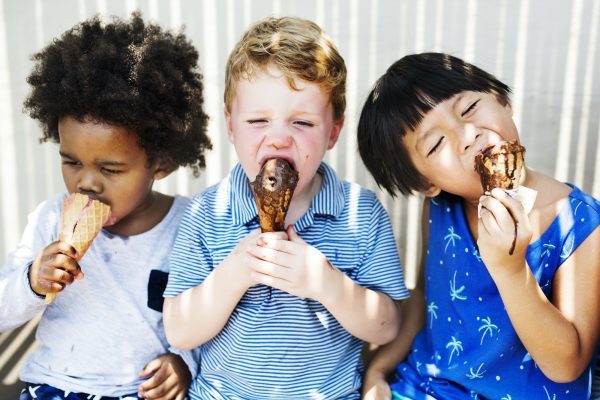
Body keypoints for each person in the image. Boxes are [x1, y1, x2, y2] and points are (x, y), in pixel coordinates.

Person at [162, 16, 409, 399]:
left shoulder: (361, 213)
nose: (278, 138)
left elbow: (388, 326)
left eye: (302, 122)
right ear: (230, 126)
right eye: (258, 120)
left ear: (333, 131)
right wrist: (237, 272)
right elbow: (178, 330)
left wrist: (328, 283)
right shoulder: (207, 214)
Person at [356, 52, 600, 399]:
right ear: (426, 183)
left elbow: (567, 365)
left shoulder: (580, 224)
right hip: (425, 387)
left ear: (502, 101)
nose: (466, 135)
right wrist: (378, 371)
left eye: (469, 109)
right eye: (436, 143)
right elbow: (425, 301)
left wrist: (511, 271)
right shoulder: (440, 208)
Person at [0, 12, 212, 400]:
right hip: (56, 385)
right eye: (72, 161)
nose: (86, 181)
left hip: (141, 392)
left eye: (110, 168)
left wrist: (184, 361)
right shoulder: (50, 219)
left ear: (160, 162)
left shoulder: (191, 226)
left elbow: (210, 316)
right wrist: (32, 279)